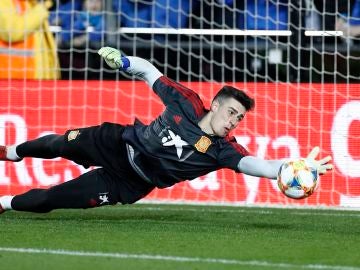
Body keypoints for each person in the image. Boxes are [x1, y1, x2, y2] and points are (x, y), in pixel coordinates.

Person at [0, 46, 333, 214]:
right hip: (118, 143)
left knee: (54, 198)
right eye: (231, 112)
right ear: (214, 104)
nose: (233, 121)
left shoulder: (224, 150)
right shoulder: (186, 102)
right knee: (59, 143)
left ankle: (4, 202)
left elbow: (262, 166)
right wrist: (125, 62)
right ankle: (11, 153)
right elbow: (150, 73)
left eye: (239, 118)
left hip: (129, 182)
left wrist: (300, 167)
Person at [0, 0, 60, 79]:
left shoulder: (30, 3)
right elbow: (11, 32)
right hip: (10, 80)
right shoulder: (4, 2)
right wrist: (44, 6)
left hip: (34, 79)